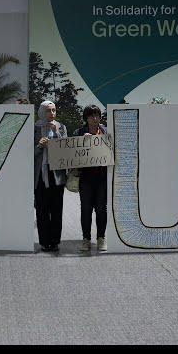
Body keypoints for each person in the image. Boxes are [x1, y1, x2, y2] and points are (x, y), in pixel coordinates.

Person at [73, 104, 108, 253]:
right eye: (91, 115)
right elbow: (72, 154)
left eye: (97, 115)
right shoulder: (79, 132)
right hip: (86, 178)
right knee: (85, 209)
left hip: (102, 178)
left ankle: (101, 238)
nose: (95, 118)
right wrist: (82, 141)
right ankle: (86, 239)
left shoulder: (106, 131)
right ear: (86, 118)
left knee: (101, 209)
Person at [34, 100, 67, 252]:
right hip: (40, 174)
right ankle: (44, 241)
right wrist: (39, 146)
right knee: (42, 209)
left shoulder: (61, 127)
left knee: (56, 209)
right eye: (48, 110)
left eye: (54, 110)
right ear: (42, 112)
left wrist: (58, 133)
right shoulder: (34, 128)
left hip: (56, 175)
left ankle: (54, 241)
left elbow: (67, 150)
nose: (52, 114)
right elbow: (28, 153)